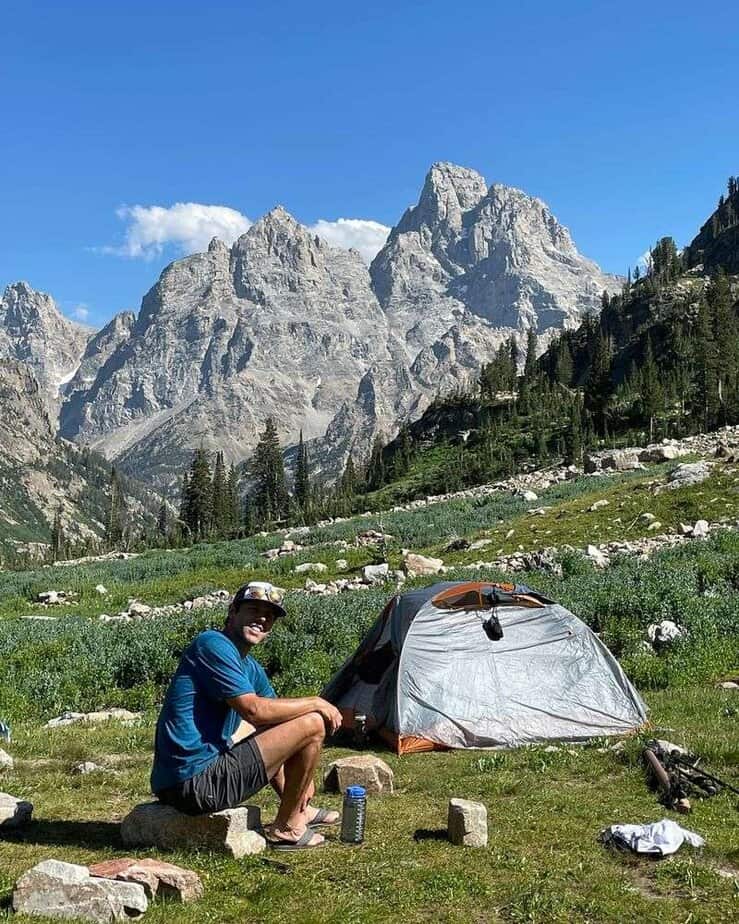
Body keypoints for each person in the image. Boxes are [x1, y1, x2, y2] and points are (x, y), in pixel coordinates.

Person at [150, 580, 343, 850]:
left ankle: (299, 811)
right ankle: (287, 828)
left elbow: (278, 726)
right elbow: (255, 711)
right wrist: (315, 702)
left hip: (197, 776)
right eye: (253, 610)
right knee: (313, 723)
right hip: (191, 782)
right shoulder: (212, 644)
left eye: (270, 615)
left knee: (302, 724)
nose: (262, 619)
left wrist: (297, 790)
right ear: (233, 612)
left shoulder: (250, 667)